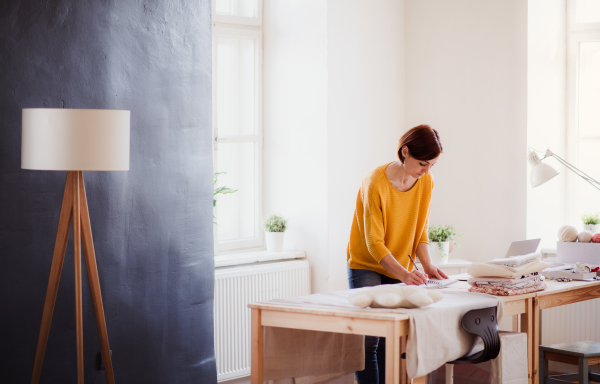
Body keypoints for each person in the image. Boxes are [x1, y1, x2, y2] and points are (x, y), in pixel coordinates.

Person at [346, 124, 448, 384]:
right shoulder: (375, 182)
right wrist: (404, 274)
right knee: (369, 342)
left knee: (391, 339)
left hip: (398, 266)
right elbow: (374, 243)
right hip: (367, 264)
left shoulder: (426, 182)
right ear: (405, 152)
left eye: (431, 166)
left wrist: (427, 265)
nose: (426, 171)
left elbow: (420, 230)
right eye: (423, 163)